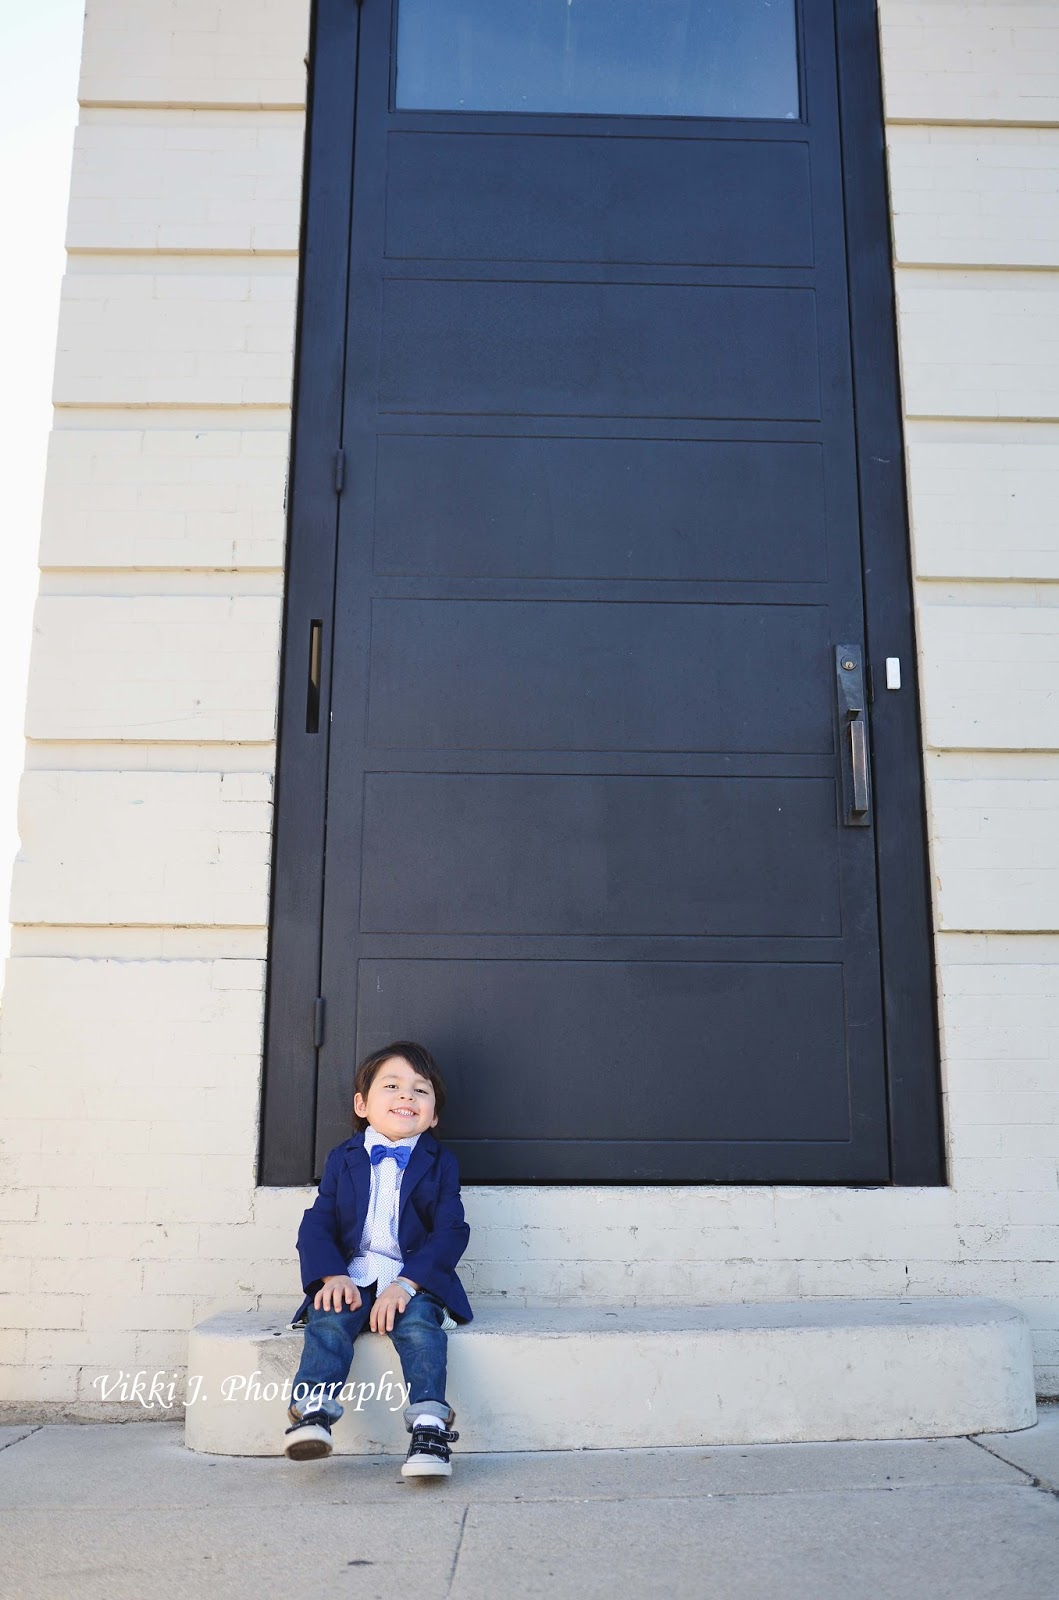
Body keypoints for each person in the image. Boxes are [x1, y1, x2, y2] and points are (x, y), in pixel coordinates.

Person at [284, 1040, 473, 1477]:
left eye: (420, 1090)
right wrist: (331, 1276)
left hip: (412, 1280)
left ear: (434, 1115)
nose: (407, 1095)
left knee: (420, 1326)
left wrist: (406, 1284)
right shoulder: (343, 1158)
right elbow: (318, 1223)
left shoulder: (440, 1163)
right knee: (328, 1319)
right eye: (392, 1086)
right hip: (353, 1275)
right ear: (362, 1104)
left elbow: (450, 1231)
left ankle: (429, 1427)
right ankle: (312, 1412)